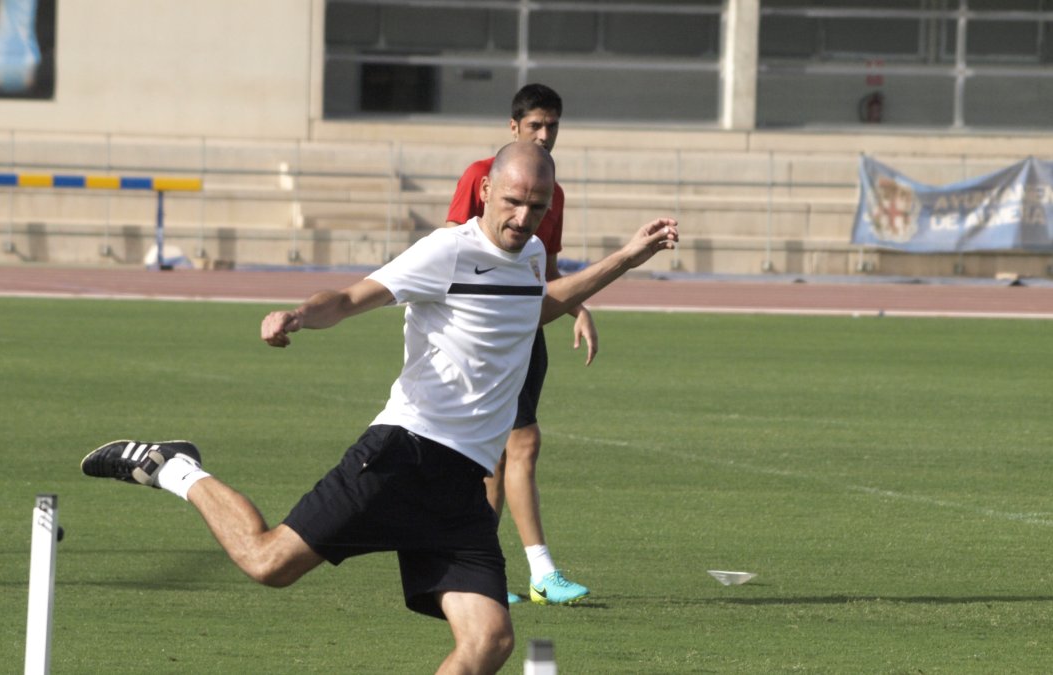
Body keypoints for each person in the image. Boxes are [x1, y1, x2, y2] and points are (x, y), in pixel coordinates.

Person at [81, 142, 678, 674]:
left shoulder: (530, 255)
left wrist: (625, 258)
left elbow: (533, 305)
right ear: (485, 189)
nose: (524, 218)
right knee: (268, 563)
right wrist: (299, 316)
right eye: (514, 201)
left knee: (490, 641)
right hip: (403, 454)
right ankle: (175, 467)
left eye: (538, 207)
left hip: (463, 486)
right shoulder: (446, 251)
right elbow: (349, 298)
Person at [445, 83, 594, 605]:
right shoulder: (480, 175)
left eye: (552, 126)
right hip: (489, 332)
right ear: (514, 127)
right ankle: (541, 572)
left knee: (500, 457)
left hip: (528, 330)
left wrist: (577, 307)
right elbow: (451, 247)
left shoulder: (555, 191)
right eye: (535, 125)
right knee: (521, 444)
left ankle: (477, 570)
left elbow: (547, 269)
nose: (544, 134)